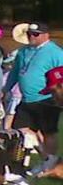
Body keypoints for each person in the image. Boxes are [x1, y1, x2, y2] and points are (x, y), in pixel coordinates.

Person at [4, 21, 63, 171]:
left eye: (36, 34)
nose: (31, 37)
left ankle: (50, 164)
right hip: (26, 99)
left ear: (46, 35)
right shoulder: (23, 51)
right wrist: (5, 89)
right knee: (20, 130)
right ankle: (47, 158)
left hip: (47, 100)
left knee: (48, 132)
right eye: (29, 34)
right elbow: (15, 73)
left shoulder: (56, 53)